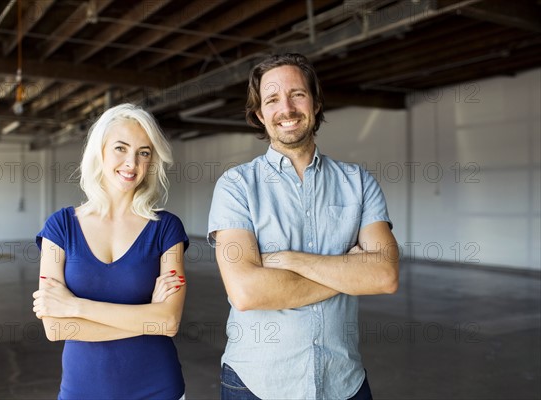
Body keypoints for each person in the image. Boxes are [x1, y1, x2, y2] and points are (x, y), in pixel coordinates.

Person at [208, 53, 399, 399]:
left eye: (297, 94)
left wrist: (290, 260)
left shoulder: (358, 182)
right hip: (257, 383)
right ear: (259, 114)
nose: (287, 108)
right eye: (272, 99)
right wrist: (348, 273)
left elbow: (384, 276)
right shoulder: (235, 186)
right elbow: (247, 292)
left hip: (344, 381)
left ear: (316, 103)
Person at [32, 103, 188, 400]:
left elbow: (168, 322)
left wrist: (75, 307)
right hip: (81, 391)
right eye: (120, 148)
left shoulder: (166, 229)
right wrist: (145, 320)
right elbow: (54, 327)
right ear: (99, 151)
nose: (132, 163)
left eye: (144, 152)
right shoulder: (60, 227)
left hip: (158, 389)